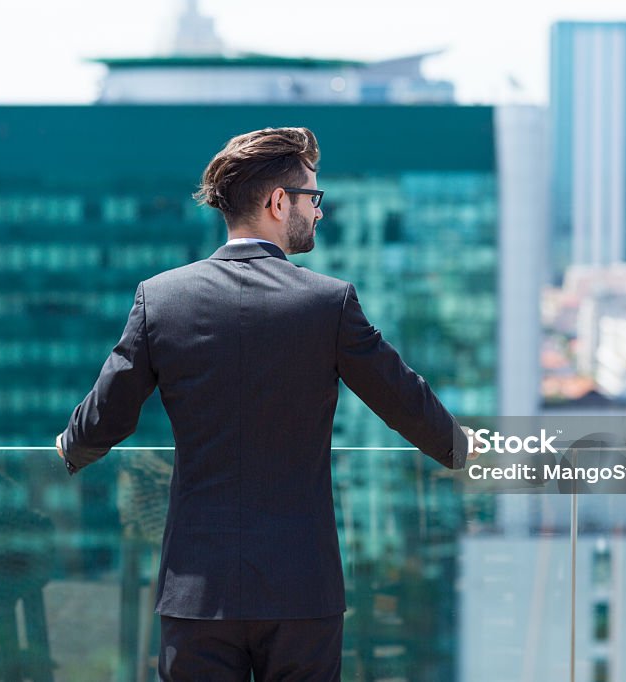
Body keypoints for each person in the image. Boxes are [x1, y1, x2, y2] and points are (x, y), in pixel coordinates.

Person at [55, 126, 473, 681]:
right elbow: (404, 401)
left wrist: (70, 448)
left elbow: (104, 418)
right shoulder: (329, 303)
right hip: (302, 590)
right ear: (280, 202)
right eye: (313, 197)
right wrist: (464, 450)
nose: (318, 212)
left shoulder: (161, 298)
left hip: (197, 592)